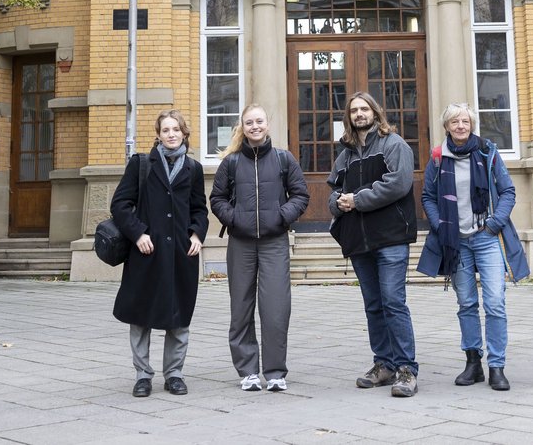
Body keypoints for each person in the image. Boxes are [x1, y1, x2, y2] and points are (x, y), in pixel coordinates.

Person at [416, 103, 529, 391]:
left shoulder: (488, 152)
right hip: (457, 242)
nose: (461, 126)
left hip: (487, 238)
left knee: (494, 303)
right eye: (455, 122)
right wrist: (441, 226)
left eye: (465, 121)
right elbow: (428, 196)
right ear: (447, 127)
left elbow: (507, 191)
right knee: (466, 304)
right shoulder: (439, 158)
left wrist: (495, 223)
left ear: (472, 124)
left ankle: (497, 366)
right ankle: (473, 362)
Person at [209, 104, 309, 392]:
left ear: (268, 124)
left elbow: (300, 195)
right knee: (241, 307)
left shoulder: (283, 159)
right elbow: (218, 199)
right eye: (249, 122)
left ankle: (275, 372)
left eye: (259, 121)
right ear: (243, 126)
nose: (255, 126)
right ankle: (248, 371)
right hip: (240, 243)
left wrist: (281, 216)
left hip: (274, 242)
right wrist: (235, 219)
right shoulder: (231, 163)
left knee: (276, 308)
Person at [110, 109, 209, 398]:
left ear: (184, 133)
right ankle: (143, 376)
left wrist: (197, 233)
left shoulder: (194, 168)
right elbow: (120, 204)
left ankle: (174, 374)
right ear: (158, 134)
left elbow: (199, 208)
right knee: (140, 316)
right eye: (166, 130)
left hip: (181, 253)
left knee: (179, 316)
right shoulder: (141, 164)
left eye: (176, 129)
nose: (171, 134)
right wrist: (138, 233)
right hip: (147, 253)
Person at [327, 91, 419, 397]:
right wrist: (337, 203)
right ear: (349, 117)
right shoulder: (346, 154)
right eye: (354, 110)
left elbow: (398, 183)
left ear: (375, 113)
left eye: (364, 109)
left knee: (393, 302)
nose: (359, 114)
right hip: (360, 241)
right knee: (374, 305)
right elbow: (333, 191)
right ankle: (384, 364)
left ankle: (406, 369)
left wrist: (358, 199)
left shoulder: (394, 145)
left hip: (390, 238)